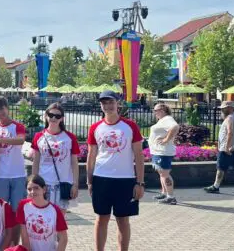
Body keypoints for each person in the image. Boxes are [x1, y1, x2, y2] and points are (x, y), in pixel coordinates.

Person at [86, 90, 144, 251]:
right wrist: (89, 181)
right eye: (104, 102)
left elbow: (139, 156)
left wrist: (140, 182)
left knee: (123, 220)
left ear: (117, 103)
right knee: (101, 218)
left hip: (125, 179)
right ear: (101, 105)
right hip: (101, 178)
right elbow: (91, 156)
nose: (108, 106)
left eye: (111, 102)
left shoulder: (130, 126)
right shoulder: (95, 128)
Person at [31, 103, 80, 213]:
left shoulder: (70, 137)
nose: (53, 118)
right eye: (51, 115)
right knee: (43, 216)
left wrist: (75, 184)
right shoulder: (39, 136)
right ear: (46, 115)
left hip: (62, 184)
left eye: (57, 116)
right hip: (44, 183)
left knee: (60, 219)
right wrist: (33, 182)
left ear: (62, 119)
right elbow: (36, 161)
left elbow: (74, 163)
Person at [0, 96, 27, 211]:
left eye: (1, 109)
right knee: (1, 209)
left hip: (18, 174)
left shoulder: (17, 126)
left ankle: (17, 230)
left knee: (18, 210)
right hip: (1, 175)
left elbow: (20, 140)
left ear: (7, 108)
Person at [16, 175, 68, 251]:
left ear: (44, 189)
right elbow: (24, 236)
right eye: (29, 189)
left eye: (36, 188)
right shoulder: (23, 206)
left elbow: (63, 239)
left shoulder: (55, 210)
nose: (32, 192)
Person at [204, 101, 234, 195]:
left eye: (223, 108)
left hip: (226, 149)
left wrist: (226, 147)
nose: (222, 110)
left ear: (229, 108)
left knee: (220, 168)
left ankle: (216, 186)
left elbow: (230, 132)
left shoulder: (229, 118)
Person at [148, 103, 180, 204]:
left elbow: (175, 127)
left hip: (163, 152)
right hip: (158, 151)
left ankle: (171, 197)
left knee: (164, 174)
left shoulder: (167, 119)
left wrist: (166, 139)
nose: (154, 112)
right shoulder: (162, 120)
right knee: (161, 173)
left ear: (162, 110)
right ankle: (164, 193)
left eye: (155, 110)